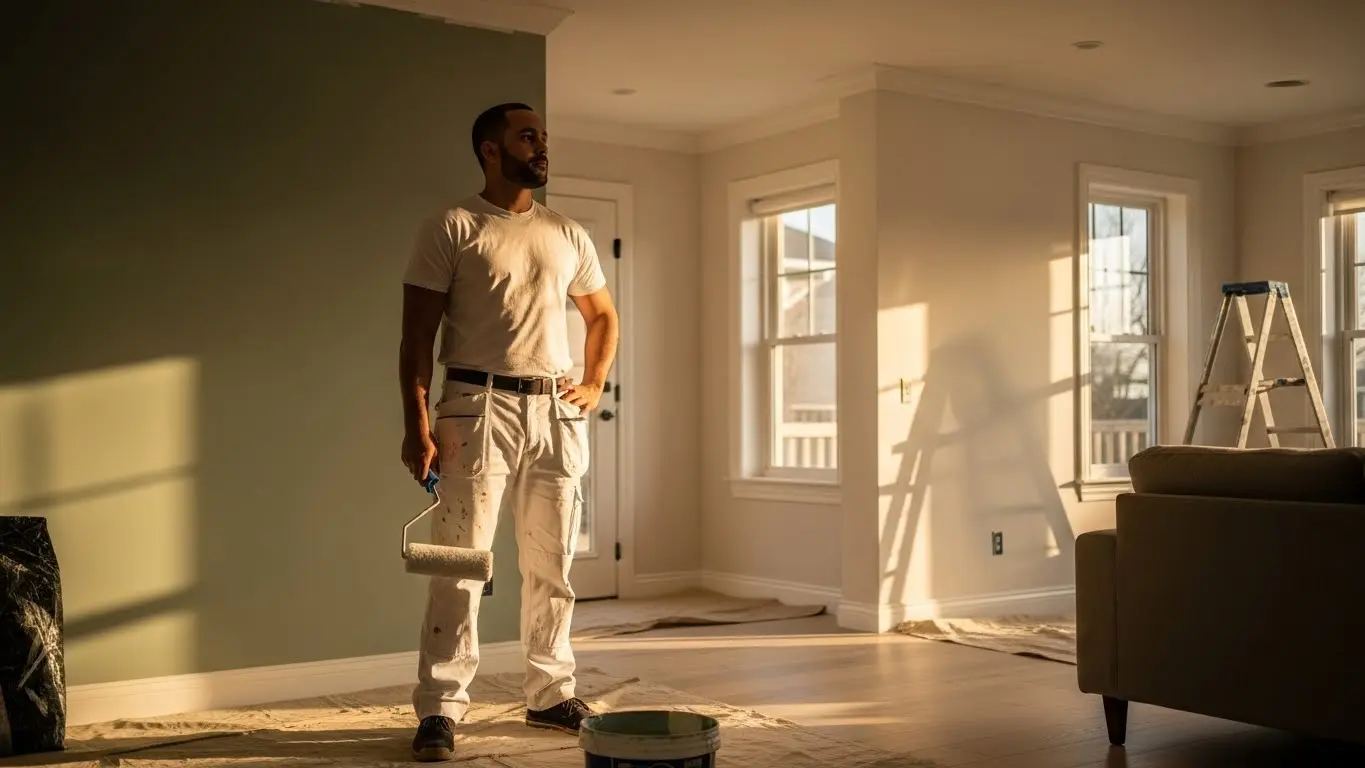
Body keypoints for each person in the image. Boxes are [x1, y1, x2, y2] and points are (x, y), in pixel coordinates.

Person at [397, 102, 619, 762]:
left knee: (552, 564)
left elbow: (602, 314)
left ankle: (551, 694)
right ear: (491, 150)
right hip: (473, 407)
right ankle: (439, 707)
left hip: (554, 413)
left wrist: (593, 380)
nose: (541, 146)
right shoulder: (453, 226)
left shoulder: (566, 231)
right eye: (528, 136)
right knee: (459, 563)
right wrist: (415, 422)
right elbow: (415, 336)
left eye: (543, 137)